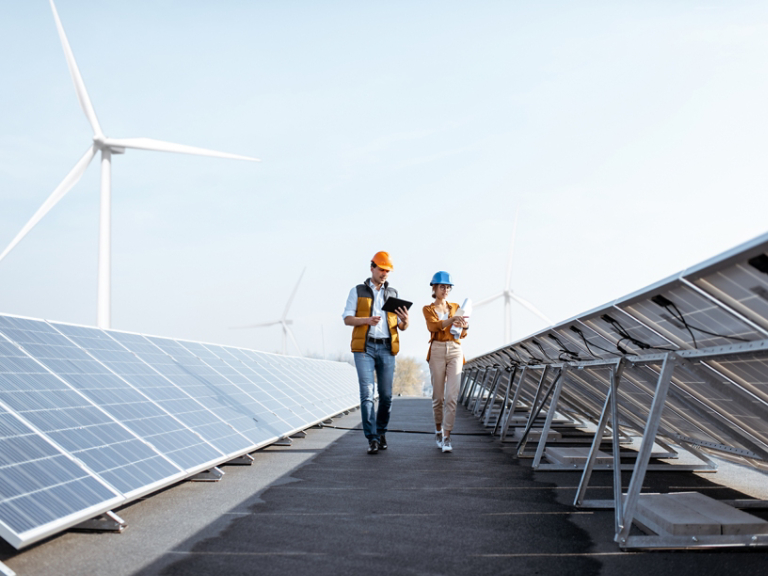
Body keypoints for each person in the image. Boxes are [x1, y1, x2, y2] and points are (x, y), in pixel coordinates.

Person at [342, 251, 410, 454]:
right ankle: (371, 438)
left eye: (387, 271)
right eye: (381, 269)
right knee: (367, 393)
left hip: (387, 348)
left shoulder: (393, 294)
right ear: (372, 268)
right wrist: (366, 320)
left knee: (387, 396)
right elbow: (347, 319)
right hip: (365, 347)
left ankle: (381, 432)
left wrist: (406, 321)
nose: (384, 273)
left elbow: (400, 326)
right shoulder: (358, 291)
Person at [422, 271, 467, 453]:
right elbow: (433, 326)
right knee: (438, 397)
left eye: (448, 287)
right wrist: (451, 320)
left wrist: (464, 325)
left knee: (452, 397)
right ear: (434, 288)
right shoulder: (428, 309)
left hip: (455, 349)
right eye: (442, 286)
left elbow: (463, 333)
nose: (446, 290)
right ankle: (438, 430)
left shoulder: (456, 307)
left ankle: (447, 436)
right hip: (437, 350)